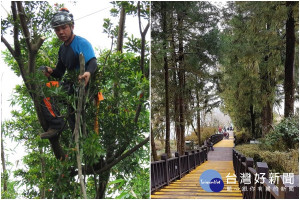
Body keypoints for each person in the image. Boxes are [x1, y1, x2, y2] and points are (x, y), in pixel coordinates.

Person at [40, 8, 97, 139]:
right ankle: (56, 125)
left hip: (80, 87)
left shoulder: (81, 43)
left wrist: (88, 73)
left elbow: (93, 62)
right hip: (70, 87)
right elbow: (59, 73)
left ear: (72, 26)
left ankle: (56, 124)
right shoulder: (62, 49)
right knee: (75, 128)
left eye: (64, 28)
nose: (61, 32)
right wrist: (50, 71)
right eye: (57, 29)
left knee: (47, 89)